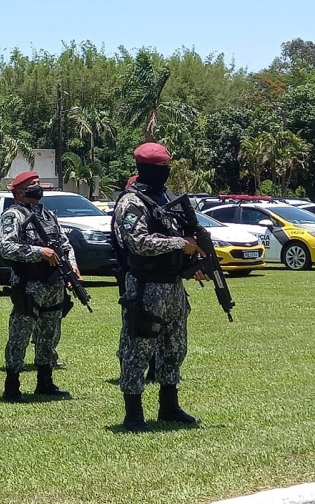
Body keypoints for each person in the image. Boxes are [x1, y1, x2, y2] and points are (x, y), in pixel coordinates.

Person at [112, 142, 202, 432]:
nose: (166, 171)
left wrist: (193, 261)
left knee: (174, 347)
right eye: (161, 167)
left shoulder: (165, 198)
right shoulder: (132, 202)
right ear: (147, 168)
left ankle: (169, 406)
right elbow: (137, 241)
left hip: (172, 285)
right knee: (138, 348)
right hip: (146, 286)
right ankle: (133, 413)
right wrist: (179, 244)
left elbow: (183, 235)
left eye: (167, 166)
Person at [0, 171, 78, 403]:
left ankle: (45, 381)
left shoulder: (48, 214)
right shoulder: (12, 215)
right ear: (19, 191)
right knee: (20, 335)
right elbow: (7, 247)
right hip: (29, 284)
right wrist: (39, 252)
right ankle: (12, 385)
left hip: (53, 283)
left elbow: (64, 244)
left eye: (37, 183)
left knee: (49, 333)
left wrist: (72, 265)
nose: (37, 186)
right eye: (31, 184)